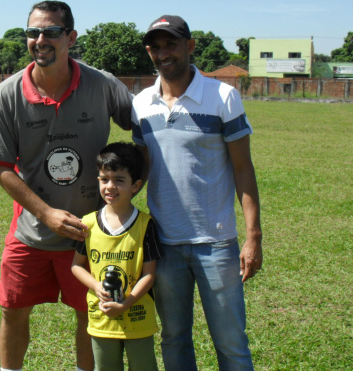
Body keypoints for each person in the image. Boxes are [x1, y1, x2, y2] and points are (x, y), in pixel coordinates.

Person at [0, 2, 134, 370]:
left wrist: (131, 185)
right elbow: (1, 167)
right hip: (29, 231)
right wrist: (45, 213)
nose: (40, 40)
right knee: (13, 310)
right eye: (33, 32)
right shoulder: (7, 94)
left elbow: (143, 125)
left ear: (71, 37)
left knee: (89, 315)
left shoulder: (101, 85)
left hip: (89, 233)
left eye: (50, 31)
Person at [131, 15, 263, 371]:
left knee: (231, 343)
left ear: (190, 46)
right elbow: (139, 171)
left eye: (171, 44)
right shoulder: (140, 103)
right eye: (155, 47)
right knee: (174, 339)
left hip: (217, 244)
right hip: (165, 243)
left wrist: (253, 237)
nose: (163, 53)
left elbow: (243, 169)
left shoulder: (223, 96)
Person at [71, 142, 162, 371]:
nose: (110, 186)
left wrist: (127, 303)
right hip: (102, 318)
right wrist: (96, 285)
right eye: (104, 179)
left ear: (136, 185)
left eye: (119, 180)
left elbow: (149, 275)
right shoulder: (88, 223)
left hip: (138, 317)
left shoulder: (145, 225)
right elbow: (76, 266)